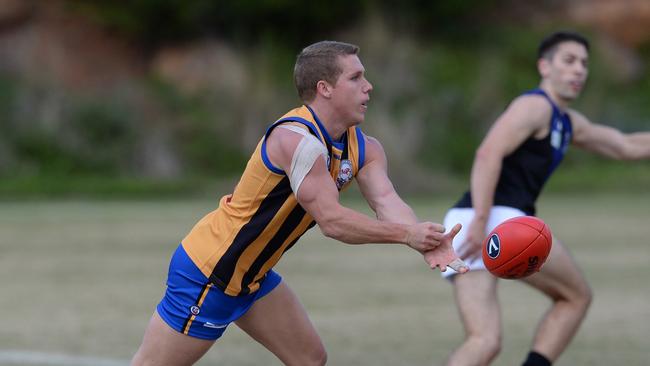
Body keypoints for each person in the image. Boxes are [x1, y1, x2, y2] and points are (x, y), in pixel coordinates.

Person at [131, 40, 468, 366]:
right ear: (325, 88)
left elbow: (386, 200)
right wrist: (405, 235)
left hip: (253, 275)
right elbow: (332, 222)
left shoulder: (365, 148)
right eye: (356, 77)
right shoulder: (295, 141)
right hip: (210, 272)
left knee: (309, 358)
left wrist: (423, 238)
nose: (369, 86)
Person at [440, 30, 650, 366]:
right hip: (496, 219)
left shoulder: (567, 122)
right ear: (544, 66)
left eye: (584, 63)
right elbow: (487, 154)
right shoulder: (534, 106)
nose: (579, 70)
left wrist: (477, 223)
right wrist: (482, 220)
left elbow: (624, 146)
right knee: (576, 297)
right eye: (569, 61)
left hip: (461, 224)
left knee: (484, 341)